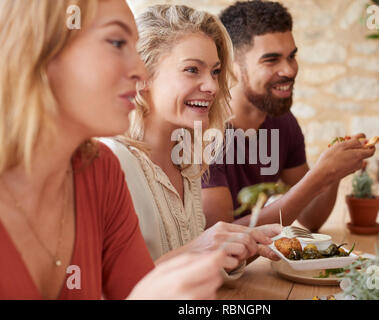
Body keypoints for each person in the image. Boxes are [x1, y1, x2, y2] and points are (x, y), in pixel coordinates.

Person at [0, 0, 233, 300]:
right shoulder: (119, 159)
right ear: (42, 48)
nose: (139, 70)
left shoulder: (100, 170)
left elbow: (137, 289)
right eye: (116, 42)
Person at [100, 4, 281, 280]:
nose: (212, 86)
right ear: (142, 74)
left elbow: (184, 276)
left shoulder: (189, 165)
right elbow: (104, 290)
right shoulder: (112, 161)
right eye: (192, 70)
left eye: (215, 72)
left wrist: (231, 249)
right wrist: (197, 250)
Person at [202, 0, 376, 231]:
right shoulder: (203, 130)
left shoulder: (282, 122)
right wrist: (319, 175)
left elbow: (311, 219)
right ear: (230, 66)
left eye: (291, 56)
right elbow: (218, 238)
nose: (289, 70)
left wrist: (333, 175)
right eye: (271, 60)